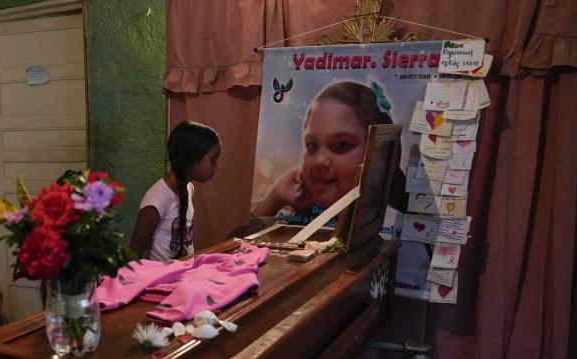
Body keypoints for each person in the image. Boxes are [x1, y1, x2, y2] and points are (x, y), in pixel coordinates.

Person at [251, 80, 406, 224]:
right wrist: (277, 196)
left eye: (341, 144)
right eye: (312, 145)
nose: (319, 161)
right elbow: (243, 246)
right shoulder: (302, 212)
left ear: (378, 152)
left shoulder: (393, 223)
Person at [129, 121, 222, 260]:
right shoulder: (157, 198)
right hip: (161, 279)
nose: (216, 167)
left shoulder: (189, 188)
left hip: (183, 274)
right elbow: (132, 256)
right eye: (213, 161)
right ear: (192, 158)